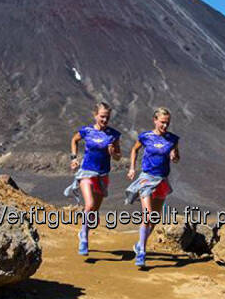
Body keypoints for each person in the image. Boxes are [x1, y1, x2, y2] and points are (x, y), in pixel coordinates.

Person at [124, 107, 180, 269]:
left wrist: (174, 156)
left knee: (154, 218)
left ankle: (139, 244)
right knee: (147, 215)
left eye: (167, 123)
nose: (165, 126)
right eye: (162, 122)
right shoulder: (145, 137)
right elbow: (134, 150)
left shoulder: (172, 139)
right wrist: (132, 168)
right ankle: (141, 252)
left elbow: (176, 158)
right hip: (146, 179)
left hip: (162, 180)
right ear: (155, 120)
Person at [64, 102, 121, 256]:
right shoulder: (87, 131)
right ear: (95, 115)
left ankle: (85, 230)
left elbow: (118, 157)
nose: (104, 120)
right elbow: (74, 140)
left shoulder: (113, 134)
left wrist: (113, 153)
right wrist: (74, 158)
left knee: (94, 210)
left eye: (107, 117)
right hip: (86, 172)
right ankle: (84, 237)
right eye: (102, 116)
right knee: (89, 204)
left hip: (102, 175)